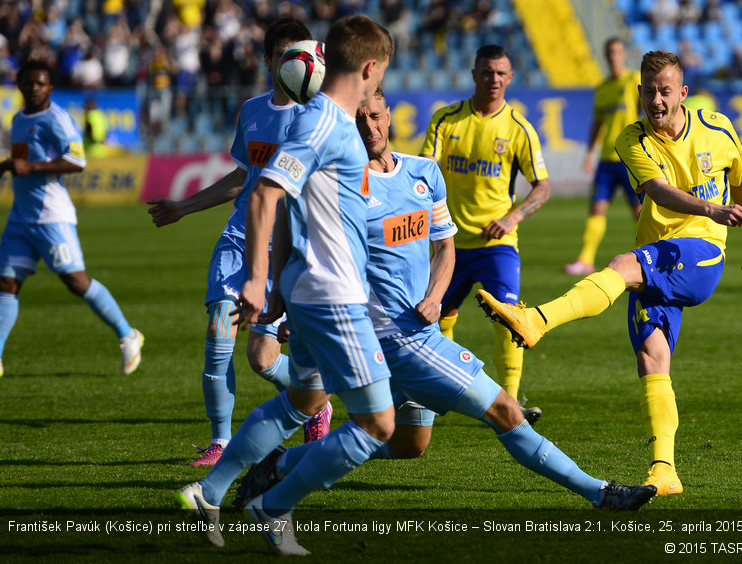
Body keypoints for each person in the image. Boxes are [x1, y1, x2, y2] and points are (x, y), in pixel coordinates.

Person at [230, 88, 657, 520]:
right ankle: (602, 493)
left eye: (375, 116)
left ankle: (277, 464)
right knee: (505, 411)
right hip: (397, 339)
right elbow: (296, 234)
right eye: (359, 120)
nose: (369, 128)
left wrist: (435, 296)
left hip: (418, 326)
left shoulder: (423, 174)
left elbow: (445, 247)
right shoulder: (340, 186)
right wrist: (287, 306)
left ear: (389, 114)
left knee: (408, 444)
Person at [476, 50, 742, 496]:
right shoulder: (632, 140)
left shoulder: (718, 128)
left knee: (619, 267)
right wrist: (712, 205)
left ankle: (537, 320)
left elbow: (741, 178)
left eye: (666, 91)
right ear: (639, 93)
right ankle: (665, 470)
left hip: (703, 252)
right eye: (649, 92)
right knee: (652, 360)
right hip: (658, 253)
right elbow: (659, 192)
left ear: (683, 93)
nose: (657, 100)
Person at [176, 15, 393, 556]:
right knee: (379, 424)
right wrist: (255, 279)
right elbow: (262, 194)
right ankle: (271, 505)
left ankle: (212, 490)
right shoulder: (326, 123)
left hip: (310, 285)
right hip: (331, 293)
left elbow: (296, 207)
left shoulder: (323, 118)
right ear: (369, 68)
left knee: (302, 400)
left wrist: (275, 289)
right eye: (381, 73)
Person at [147, 18, 332, 466]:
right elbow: (241, 177)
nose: (292, 63)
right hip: (239, 239)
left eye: (299, 54)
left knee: (263, 358)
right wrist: (184, 207)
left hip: (285, 245)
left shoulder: (320, 116)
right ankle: (220, 442)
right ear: (268, 59)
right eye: (283, 55)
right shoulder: (252, 110)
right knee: (218, 334)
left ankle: (317, 401)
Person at [421, 44, 550, 422]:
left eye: (501, 73)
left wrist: (512, 219)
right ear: (474, 74)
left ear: (510, 78)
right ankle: (446, 390)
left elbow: (542, 186)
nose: (494, 79)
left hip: (497, 245)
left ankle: (510, 402)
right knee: (435, 319)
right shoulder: (446, 121)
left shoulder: (519, 129)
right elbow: (425, 172)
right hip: (451, 246)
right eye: (487, 72)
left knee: (510, 317)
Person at [0, 59, 143, 379]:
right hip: (20, 217)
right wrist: (8, 165)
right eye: (29, 83)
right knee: (6, 284)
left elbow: (77, 161)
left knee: (76, 281)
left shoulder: (58, 120)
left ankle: (126, 333)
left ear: (50, 87)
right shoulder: (18, 119)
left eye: (41, 83)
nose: (34, 88)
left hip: (52, 217)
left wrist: (29, 169)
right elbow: (25, 159)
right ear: (20, 85)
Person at [565, 38, 641, 276]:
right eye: (609, 52)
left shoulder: (633, 81)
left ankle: (651, 253)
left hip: (631, 159)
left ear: (623, 54)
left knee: (641, 212)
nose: (613, 56)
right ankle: (586, 259)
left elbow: (649, 112)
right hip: (607, 160)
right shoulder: (603, 88)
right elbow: (597, 124)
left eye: (617, 51)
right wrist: (590, 153)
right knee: (597, 208)